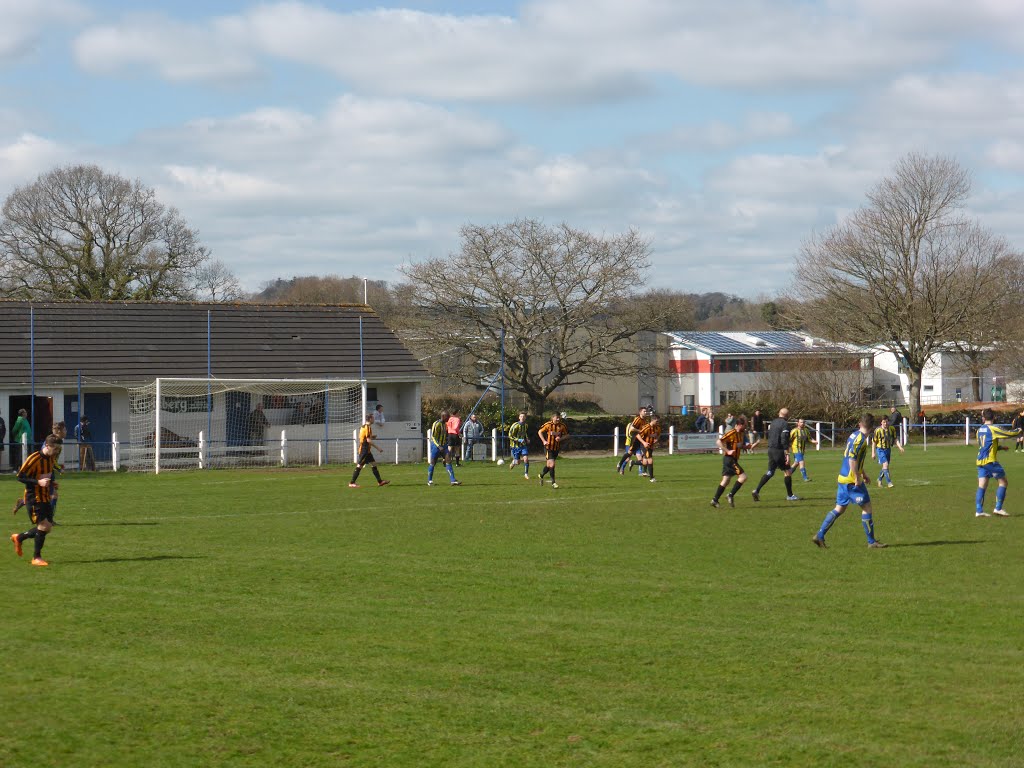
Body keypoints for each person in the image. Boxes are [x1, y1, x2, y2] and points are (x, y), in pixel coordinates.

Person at [812, 413, 887, 549]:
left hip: (843, 477)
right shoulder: (861, 440)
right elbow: (852, 460)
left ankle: (820, 535)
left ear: (860, 424)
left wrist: (863, 473)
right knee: (867, 507)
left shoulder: (854, 435)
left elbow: (854, 458)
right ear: (871, 428)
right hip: (851, 481)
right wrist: (857, 477)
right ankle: (871, 542)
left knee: (839, 508)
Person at [10, 434, 61, 566]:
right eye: (55, 448)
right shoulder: (34, 459)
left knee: (47, 527)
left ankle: (19, 537)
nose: (56, 451)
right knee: (44, 526)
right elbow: (20, 477)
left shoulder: (51, 458)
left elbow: (46, 475)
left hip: (45, 496)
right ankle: (36, 558)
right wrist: (38, 482)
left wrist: (51, 484)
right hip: (33, 497)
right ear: (47, 446)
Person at [974, 407, 1021, 517]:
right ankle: (998, 508)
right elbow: (1009, 433)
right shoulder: (993, 428)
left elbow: (984, 445)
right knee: (1003, 482)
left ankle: (979, 511)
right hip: (990, 462)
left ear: (983, 418)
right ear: (994, 417)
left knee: (982, 485)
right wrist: (1020, 429)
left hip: (980, 461)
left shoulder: (979, 430)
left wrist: (999, 448)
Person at [751, 408, 799, 502]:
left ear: (779, 413)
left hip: (770, 449)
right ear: (787, 415)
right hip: (779, 450)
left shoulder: (773, 422)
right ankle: (790, 495)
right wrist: (787, 453)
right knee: (787, 471)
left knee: (770, 472)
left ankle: (756, 490)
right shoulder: (785, 424)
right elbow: (784, 439)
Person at [710, 415, 750, 508]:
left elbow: (738, 446)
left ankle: (715, 500)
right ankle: (730, 495)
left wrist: (745, 447)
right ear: (739, 425)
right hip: (729, 459)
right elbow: (718, 442)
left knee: (726, 480)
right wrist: (727, 451)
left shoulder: (741, 434)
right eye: (745, 425)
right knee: (743, 477)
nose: (746, 427)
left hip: (732, 459)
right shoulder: (731, 433)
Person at [348, 413, 390, 488]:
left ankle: (380, 482)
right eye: (373, 418)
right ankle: (352, 483)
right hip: (364, 450)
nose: (374, 419)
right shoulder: (367, 427)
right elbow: (368, 440)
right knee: (359, 466)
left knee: (374, 464)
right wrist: (378, 448)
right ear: (370, 419)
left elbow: (364, 437)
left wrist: (372, 436)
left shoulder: (363, 426)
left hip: (367, 451)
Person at [427, 411, 460, 486]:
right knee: (433, 462)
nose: (449, 418)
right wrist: (438, 446)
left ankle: (453, 480)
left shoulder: (445, 424)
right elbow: (433, 437)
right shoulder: (436, 424)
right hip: (436, 446)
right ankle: (429, 480)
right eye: (448, 417)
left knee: (448, 460)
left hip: (444, 445)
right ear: (443, 416)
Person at [537, 412, 569, 489]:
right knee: (552, 465)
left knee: (549, 465)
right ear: (552, 417)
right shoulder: (548, 425)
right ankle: (553, 483)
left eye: (559, 417)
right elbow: (539, 432)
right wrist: (544, 441)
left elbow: (567, 435)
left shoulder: (562, 426)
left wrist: (560, 439)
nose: (558, 419)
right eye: (557, 417)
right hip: (548, 448)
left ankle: (541, 475)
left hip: (556, 448)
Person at [872, 416, 904, 488]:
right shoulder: (878, 430)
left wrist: (900, 447)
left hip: (888, 449)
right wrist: (873, 453)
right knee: (885, 464)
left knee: (885, 467)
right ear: (881, 422)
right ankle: (889, 483)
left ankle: (879, 479)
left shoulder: (891, 429)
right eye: (884, 422)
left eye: (886, 421)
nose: (885, 423)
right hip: (880, 449)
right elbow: (874, 442)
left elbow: (895, 439)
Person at [616, 406, 649, 475]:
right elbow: (631, 429)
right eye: (644, 411)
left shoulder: (644, 420)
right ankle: (621, 464)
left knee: (644, 457)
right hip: (634, 440)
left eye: (646, 411)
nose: (646, 412)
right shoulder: (637, 419)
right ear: (640, 412)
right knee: (629, 455)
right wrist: (640, 431)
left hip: (640, 440)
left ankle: (642, 472)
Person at [634, 414, 661, 483]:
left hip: (651, 446)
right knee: (650, 460)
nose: (658, 423)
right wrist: (644, 443)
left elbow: (658, 435)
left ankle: (633, 462)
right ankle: (652, 478)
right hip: (644, 446)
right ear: (653, 420)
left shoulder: (657, 427)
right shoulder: (646, 427)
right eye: (657, 421)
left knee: (645, 462)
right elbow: (637, 435)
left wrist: (657, 439)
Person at [789, 417, 818, 482]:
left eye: (803, 422)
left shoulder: (806, 430)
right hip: (796, 449)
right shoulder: (794, 431)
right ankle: (805, 478)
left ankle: (788, 474)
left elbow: (809, 438)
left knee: (796, 463)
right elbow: (788, 439)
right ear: (798, 423)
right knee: (801, 462)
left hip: (802, 450)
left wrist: (814, 441)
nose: (802, 423)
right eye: (801, 422)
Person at [507, 412, 531, 478]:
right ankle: (514, 462)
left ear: (525, 418)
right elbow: (510, 435)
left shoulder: (526, 425)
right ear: (519, 417)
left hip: (523, 445)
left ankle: (526, 474)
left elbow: (524, 433)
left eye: (524, 416)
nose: (522, 418)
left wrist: (527, 439)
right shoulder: (515, 425)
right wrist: (519, 440)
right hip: (515, 446)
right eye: (521, 416)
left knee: (526, 459)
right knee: (518, 462)